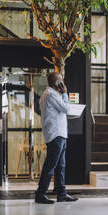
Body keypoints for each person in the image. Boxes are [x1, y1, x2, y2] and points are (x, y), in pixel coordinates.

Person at [35, 72, 78, 204]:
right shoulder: (51, 95)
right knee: (50, 166)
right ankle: (40, 194)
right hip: (56, 135)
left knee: (60, 166)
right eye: (61, 80)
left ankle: (61, 193)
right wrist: (65, 93)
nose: (63, 82)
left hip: (60, 134)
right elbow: (66, 108)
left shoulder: (52, 95)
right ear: (57, 82)